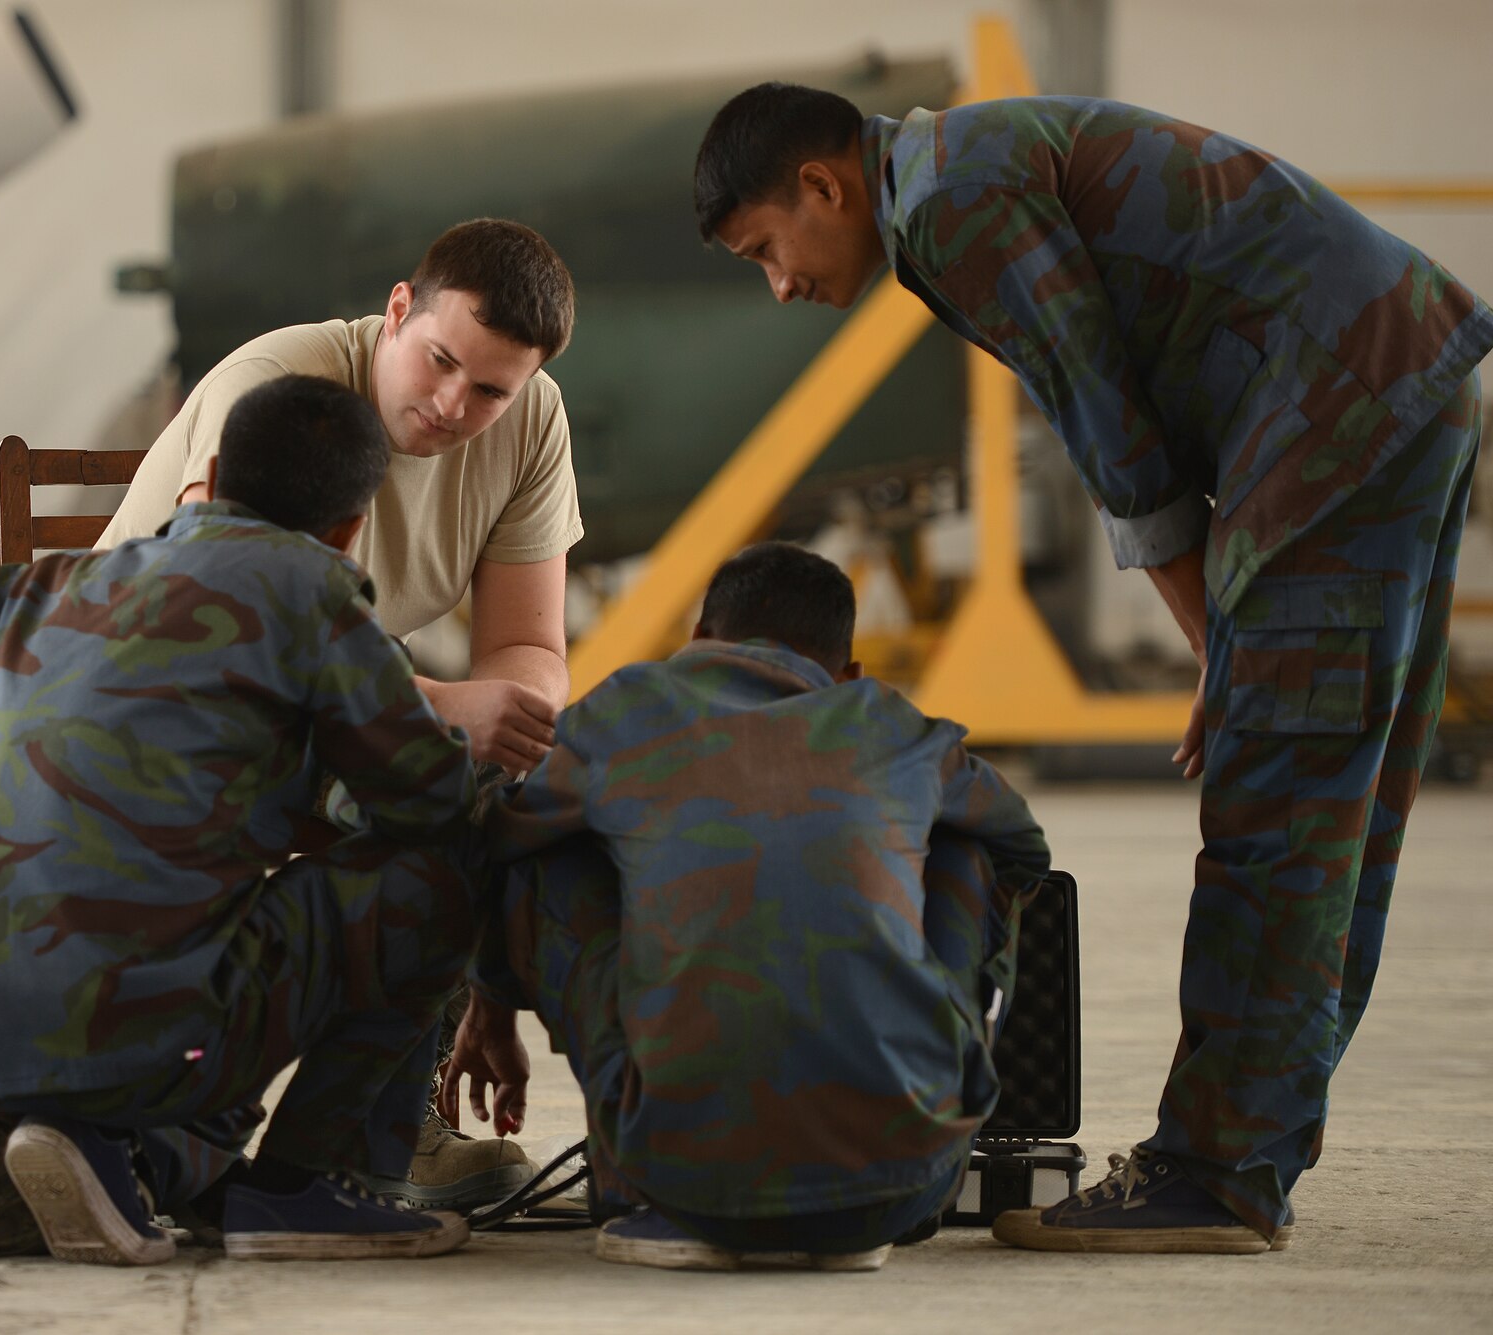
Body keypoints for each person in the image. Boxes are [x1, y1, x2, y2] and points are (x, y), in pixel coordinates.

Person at [693, 85, 1490, 1253]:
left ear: (822, 185)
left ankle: (1215, 1174)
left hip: (1332, 402)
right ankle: (1249, 1146)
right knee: (1336, 799)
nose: (779, 285)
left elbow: (1101, 415)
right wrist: (1225, 637)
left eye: (765, 249)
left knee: (1277, 802)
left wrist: (1213, 638)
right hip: (1392, 380)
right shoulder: (955, 164)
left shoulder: (948, 199)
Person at [0, 374, 485, 1266]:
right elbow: (431, 805)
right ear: (349, 529)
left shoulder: (59, 582)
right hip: (144, 1030)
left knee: (199, 930)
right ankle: (307, 1185)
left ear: (203, 481)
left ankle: (127, 1157)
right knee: (436, 885)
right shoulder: (314, 591)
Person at [99, 216, 580, 1208]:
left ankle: (381, 1139)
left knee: (486, 801)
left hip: (337, 687)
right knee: (427, 824)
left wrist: (509, 723)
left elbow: (529, 646)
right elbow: (237, 622)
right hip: (180, 690)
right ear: (397, 311)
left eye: (490, 390)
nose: (452, 405)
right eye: (440, 361)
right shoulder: (280, 389)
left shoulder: (532, 421)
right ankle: (251, 1144)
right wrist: (438, 709)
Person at [445, 542, 1052, 1271]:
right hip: (908, 1183)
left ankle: (637, 1176)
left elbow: (491, 846)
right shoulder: (890, 721)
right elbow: (1024, 846)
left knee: (545, 853)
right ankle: (914, 1105)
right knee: (969, 848)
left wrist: (490, 1003)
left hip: (678, 1182)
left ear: (699, 638)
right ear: (848, 673)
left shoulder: (626, 710)